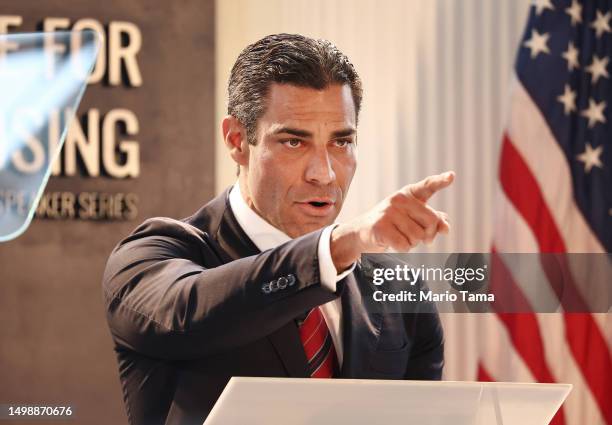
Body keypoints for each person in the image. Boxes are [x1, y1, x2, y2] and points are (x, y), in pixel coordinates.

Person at [102, 33, 454, 425]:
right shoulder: (152, 257)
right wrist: (336, 248)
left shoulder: (400, 289)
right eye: (293, 142)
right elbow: (185, 313)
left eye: (341, 142)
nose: (324, 174)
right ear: (237, 140)